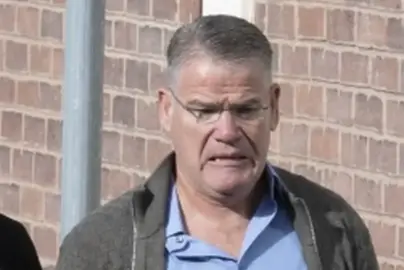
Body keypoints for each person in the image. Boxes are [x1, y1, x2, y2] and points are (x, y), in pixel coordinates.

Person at [56, 15, 379, 270]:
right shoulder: (103, 248)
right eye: (205, 111)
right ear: (167, 110)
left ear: (275, 107)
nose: (227, 131)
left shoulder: (333, 229)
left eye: (246, 109)